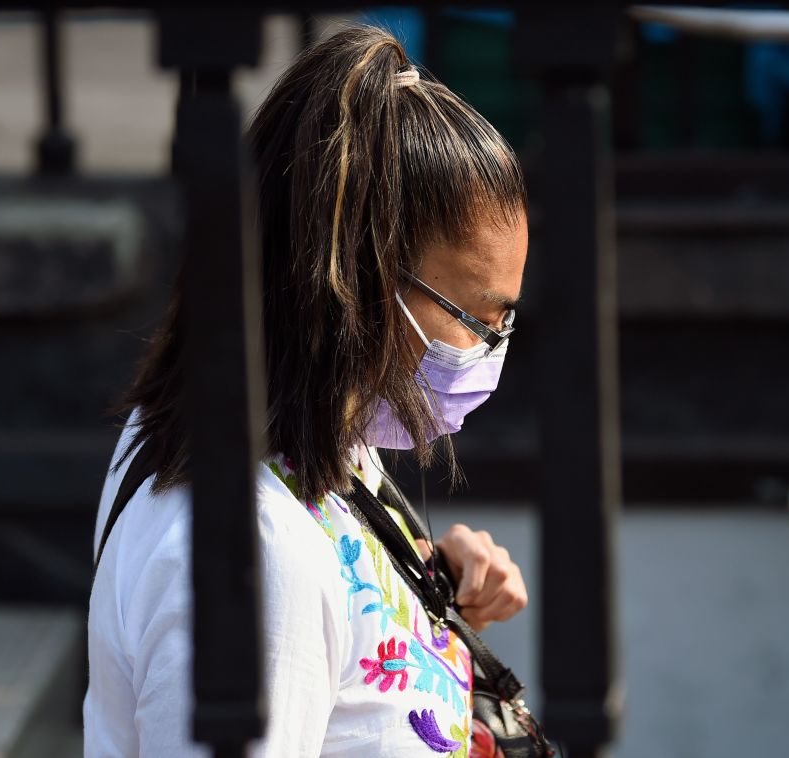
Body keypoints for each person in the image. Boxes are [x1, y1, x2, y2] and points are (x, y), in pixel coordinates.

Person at [83, 24, 530, 757]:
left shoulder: (289, 432)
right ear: (355, 281)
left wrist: (425, 582)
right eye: (473, 318)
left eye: (504, 321)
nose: (490, 350)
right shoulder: (256, 556)